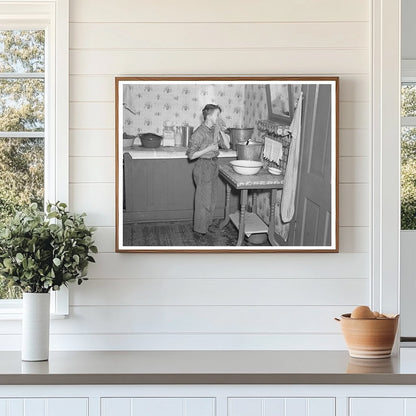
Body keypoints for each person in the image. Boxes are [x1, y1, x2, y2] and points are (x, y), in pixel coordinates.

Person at [186, 104, 230, 235]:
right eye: (217, 115)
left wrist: (221, 129)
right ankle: (199, 231)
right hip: (203, 166)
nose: (219, 117)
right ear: (209, 116)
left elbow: (227, 146)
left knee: (211, 199)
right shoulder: (199, 132)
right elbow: (191, 155)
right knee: (203, 201)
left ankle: (206, 225)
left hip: (213, 165)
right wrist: (208, 149)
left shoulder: (213, 130)